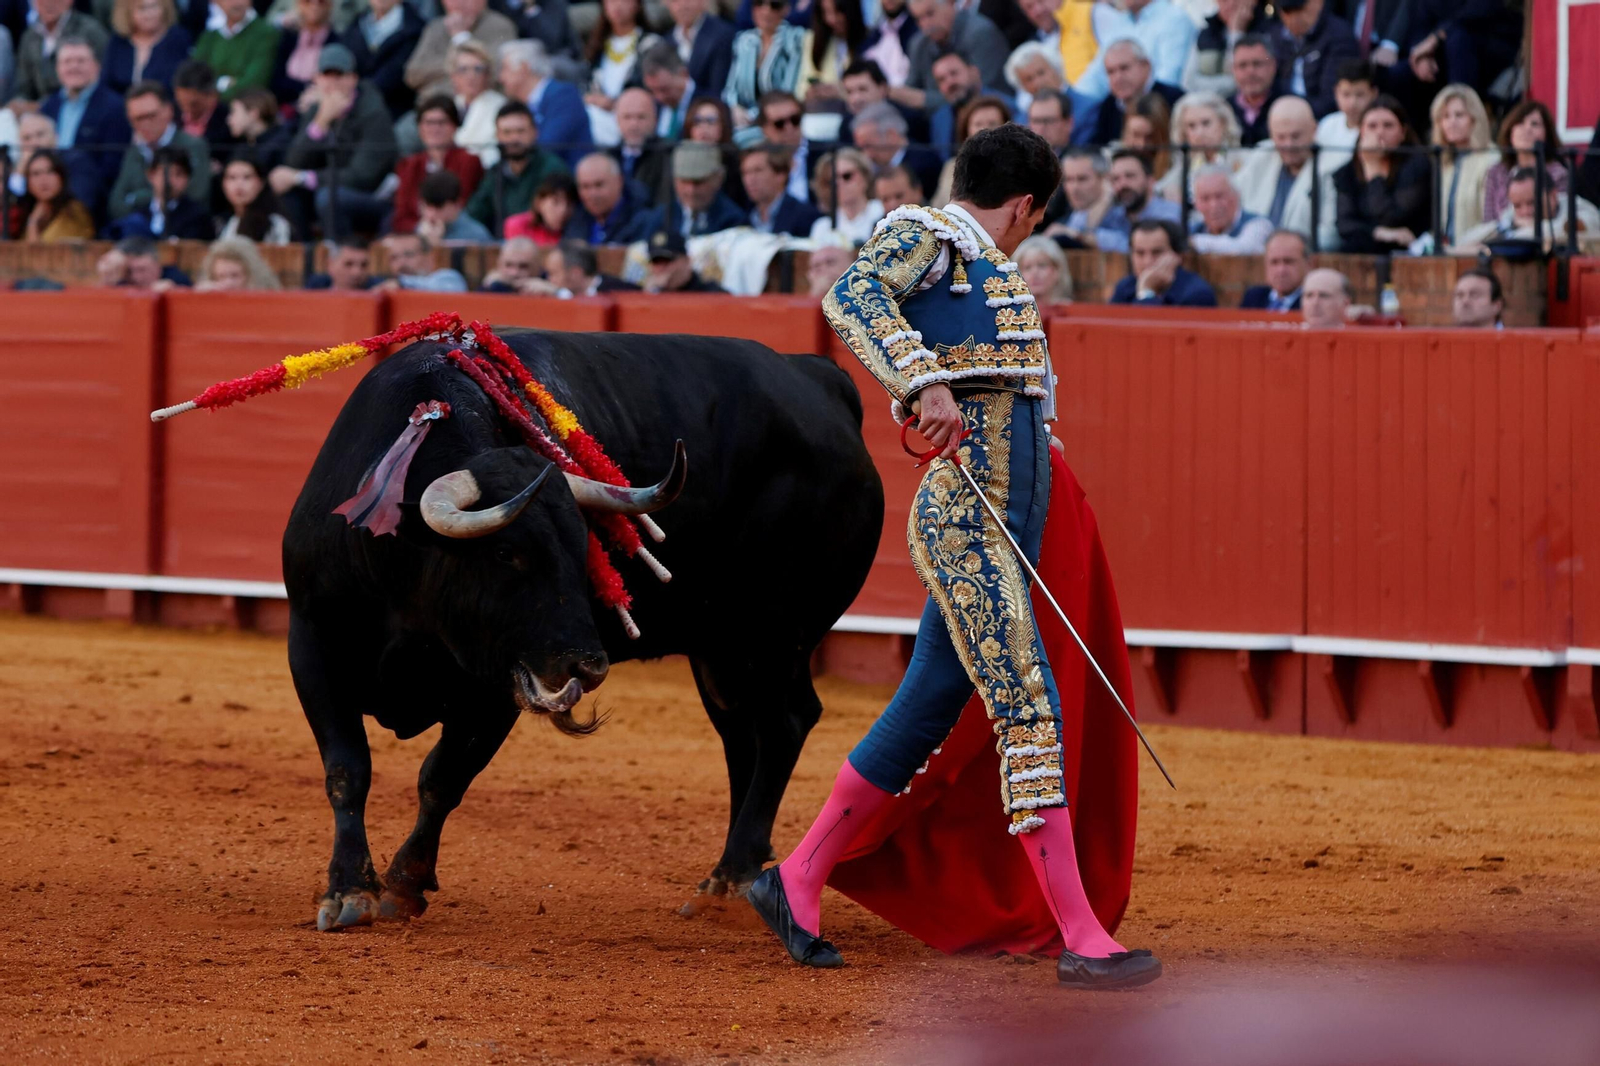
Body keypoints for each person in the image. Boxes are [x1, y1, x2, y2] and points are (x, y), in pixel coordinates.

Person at [766, 123, 1160, 991]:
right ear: (1025, 206)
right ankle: (1081, 931)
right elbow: (853, 294)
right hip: (968, 516)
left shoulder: (984, 262)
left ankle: (795, 876)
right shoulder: (931, 236)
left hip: (1008, 516)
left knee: (925, 707)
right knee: (1028, 701)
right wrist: (921, 381)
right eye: (1034, 219)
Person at [271, 43, 398, 237]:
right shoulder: (317, 110)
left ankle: (339, 255)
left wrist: (301, 178)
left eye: (339, 76)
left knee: (328, 197)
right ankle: (307, 254)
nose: (332, 83)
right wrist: (321, 122)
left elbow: (362, 177)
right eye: (326, 76)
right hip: (330, 189)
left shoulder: (373, 113)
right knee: (287, 193)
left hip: (374, 197)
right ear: (316, 80)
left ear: (353, 79)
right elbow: (294, 162)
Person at [38, 37, 128, 216]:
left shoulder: (115, 107)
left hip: (90, 200)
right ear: (58, 69)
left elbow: (112, 166)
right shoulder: (49, 106)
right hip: (44, 194)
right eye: (67, 62)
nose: (73, 67)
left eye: (81, 61)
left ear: (96, 66)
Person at [1233, 95, 1338, 249]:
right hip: (1254, 252)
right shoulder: (1261, 155)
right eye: (1281, 137)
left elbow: (1331, 234)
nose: (1288, 144)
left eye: (1295, 136)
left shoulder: (1333, 165)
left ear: (1314, 130)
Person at [1332, 94, 1429, 254]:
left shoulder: (1418, 166)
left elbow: (1391, 219)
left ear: (1403, 132)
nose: (1379, 132)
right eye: (1372, 126)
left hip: (1407, 251)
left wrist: (1373, 169)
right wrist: (1377, 232)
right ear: (1361, 131)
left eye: (1388, 125)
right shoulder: (1348, 171)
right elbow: (1344, 223)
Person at [463, 100, 568, 237]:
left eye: (520, 131)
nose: (514, 138)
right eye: (507, 132)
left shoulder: (552, 169)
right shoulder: (495, 173)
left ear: (534, 133)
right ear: (498, 136)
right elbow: (474, 213)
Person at [108, 80, 210, 219]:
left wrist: (138, 198)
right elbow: (116, 204)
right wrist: (160, 197)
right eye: (137, 119)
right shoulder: (135, 151)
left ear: (168, 110)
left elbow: (197, 195)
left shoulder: (192, 145)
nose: (145, 123)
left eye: (151, 116)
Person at [391, 93, 484, 235]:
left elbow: (461, 205)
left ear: (455, 126)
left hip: (457, 233)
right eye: (428, 123)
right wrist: (420, 229)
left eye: (441, 122)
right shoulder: (409, 165)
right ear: (420, 128)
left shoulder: (469, 161)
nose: (435, 129)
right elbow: (401, 217)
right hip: (416, 236)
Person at [497, 38, 591, 167]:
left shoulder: (563, 96)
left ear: (523, 68)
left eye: (505, 69)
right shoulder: (522, 104)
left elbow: (547, 147)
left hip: (569, 180)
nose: (501, 78)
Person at [901, 0, 1008, 111]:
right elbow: (910, 89)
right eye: (918, 19)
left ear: (949, 4)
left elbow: (985, 91)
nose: (925, 24)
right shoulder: (919, 44)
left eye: (930, 13)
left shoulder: (980, 33)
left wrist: (923, 99)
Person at [1076, 0, 1195, 100]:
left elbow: (1168, 80)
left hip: (1158, 111)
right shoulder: (1119, 22)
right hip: (1124, 108)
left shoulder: (1174, 18)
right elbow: (1094, 78)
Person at [404, 0, 516, 101]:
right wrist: (460, 67)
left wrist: (461, 38)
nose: (459, 3)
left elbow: (494, 72)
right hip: (434, 107)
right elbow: (413, 74)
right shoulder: (435, 28)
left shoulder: (500, 26)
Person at [1429, 84, 1495, 249]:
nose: (1452, 123)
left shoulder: (1492, 160)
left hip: (1478, 252)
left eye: (1459, 115)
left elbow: (1493, 220)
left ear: (1475, 119)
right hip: (1447, 254)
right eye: (1445, 116)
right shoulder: (1444, 162)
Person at [1085, 39, 1183, 148]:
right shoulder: (1108, 106)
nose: (1118, 78)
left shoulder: (1176, 99)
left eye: (1124, 68)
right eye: (1111, 72)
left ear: (1146, 66)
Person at [1271, 0, 1358, 120]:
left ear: (1318, 3)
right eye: (1287, 11)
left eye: (1299, 9)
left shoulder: (1338, 35)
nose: (1293, 17)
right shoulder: (1276, 35)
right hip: (1281, 116)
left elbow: (1331, 99)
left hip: (1323, 120)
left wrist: (1294, 113)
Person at [1482, 101, 1567, 223]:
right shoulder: (1496, 172)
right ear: (1510, 131)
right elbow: (1488, 221)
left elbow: (1560, 221)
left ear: (1546, 133)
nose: (1527, 129)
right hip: (1500, 240)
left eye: (1535, 124)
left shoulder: (1559, 174)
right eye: (1520, 122)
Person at [9, 0, 108, 104]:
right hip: (37, 113)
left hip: (81, 106)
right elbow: (24, 87)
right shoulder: (30, 36)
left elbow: (103, 79)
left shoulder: (90, 31)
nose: (49, 4)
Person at [723, 0, 806, 125]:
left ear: (786, 9)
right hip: (741, 120)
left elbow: (788, 92)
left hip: (780, 121)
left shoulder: (796, 39)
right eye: (759, 3)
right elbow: (730, 89)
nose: (766, 11)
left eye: (775, 5)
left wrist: (753, 116)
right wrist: (735, 108)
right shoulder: (744, 40)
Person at [339, 0, 425, 119]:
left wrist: (350, 94)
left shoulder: (414, 29)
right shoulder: (357, 25)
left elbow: (392, 77)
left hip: (395, 113)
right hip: (350, 107)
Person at [108, 144, 214, 238]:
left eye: (178, 174)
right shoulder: (138, 213)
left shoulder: (197, 217)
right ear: (151, 175)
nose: (170, 181)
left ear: (188, 179)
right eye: (165, 173)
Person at [1155, 90, 1239, 203]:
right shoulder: (1184, 166)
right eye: (1191, 126)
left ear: (1223, 123)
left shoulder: (1242, 159)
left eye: (1206, 123)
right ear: (1184, 133)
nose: (1199, 133)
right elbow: (1158, 190)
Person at [1110, 218, 1217, 306]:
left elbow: (1149, 330)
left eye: (1157, 253)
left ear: (1178, 256)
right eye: (1140, 253)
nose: (1148, 261)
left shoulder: (1196, 293)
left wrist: (1146, 293)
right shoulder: (1125, 288)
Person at [851, 100, 940, 200]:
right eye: (861, 148)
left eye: (869, 146)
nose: (867, 155)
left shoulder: (925, 162)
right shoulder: (869, 169)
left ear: (891, 135)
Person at [192, 0, 282, 100]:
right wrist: (226, 83)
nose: (237, 2)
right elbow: (195, 75)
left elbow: (254, 82)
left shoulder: (266, 34)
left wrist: (211, 93)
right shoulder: (210, 36)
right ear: (215, 2)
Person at [565, 150, 661, 243]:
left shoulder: (642, 223)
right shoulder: (575, 219)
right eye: (585, 187)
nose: (592, 194)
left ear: (619, 181)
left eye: (599, 185)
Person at [1096, 148, 1181, 252]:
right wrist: (1103, 201)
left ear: (1150, 181)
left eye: (1130, 176)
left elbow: (1150, 249)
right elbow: (1076, 234)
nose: (1122, 184)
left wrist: (1100, 239)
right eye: (1116, 179)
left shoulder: (1170, 213)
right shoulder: (1113, 213)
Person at [930, 91, 1009, 203]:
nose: (984, 130)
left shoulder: (1016, 167)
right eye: (978, 124)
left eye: (992, 123)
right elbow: (938, 209)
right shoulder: (950, 168)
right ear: (966, 130)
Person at [103, 0, 193, 96]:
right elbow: (106, 83)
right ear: (128, 12)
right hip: (120, 108)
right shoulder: (118, 42)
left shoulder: (178, 38)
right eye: (142, 8)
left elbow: (184, 84)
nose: (150, 14)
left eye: (154, 6)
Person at [1188, 0, 1270, 96]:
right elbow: (1189, 83)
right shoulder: (1207, 32)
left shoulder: (1268, 32)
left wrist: (1236, 33)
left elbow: (1243, 82)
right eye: (1224, 0)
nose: (1231, 4)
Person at [8, 147, 94, 239]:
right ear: (28, 182)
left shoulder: (75, 211)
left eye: (50, 171)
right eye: (36, 173)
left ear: (61, 177)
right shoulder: (26, 213)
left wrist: (33, 225)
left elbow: (44, 252)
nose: (43, 179)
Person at [665, 139, 745, 237]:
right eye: (685, 182)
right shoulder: (661, 218)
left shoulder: (732, 221)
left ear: (718, 179)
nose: (691, 191)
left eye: (698, 182)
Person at [1187, 164, 1272, 254]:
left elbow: (1245, 249)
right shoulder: (1194, 230)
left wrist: (1195, 242)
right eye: (1205, 198)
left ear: (1236, 195)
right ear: (1196, 204)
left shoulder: (1259, 225)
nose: (1214, 205)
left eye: (1219, 196)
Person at [445, 39, 505, 166]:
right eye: (463, 69)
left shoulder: (500, 106)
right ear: (453, 76)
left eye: (478, 69)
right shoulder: (450, 105)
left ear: (487, 75)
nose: (471, 76)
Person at [808, 145, 882, 243]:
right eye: (832, 180)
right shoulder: (822, 227)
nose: (838, 183)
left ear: (865, 177)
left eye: (846, 176)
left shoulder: (883, 213)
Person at [1312, 58, 1375, 173]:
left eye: (1360, 95)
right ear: (1336, 93)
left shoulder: (1378, 129)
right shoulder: (1327, 124)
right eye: (1346, 94)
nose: (1352, 103)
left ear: (1373, 93)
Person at [1044, 146, 1114, 248]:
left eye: (1082, 179)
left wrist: (1073, 234)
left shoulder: (1122, 213)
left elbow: (1126, 243)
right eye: (1069, 179)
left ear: (1104, 179)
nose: (1074, 188)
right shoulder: (1067, 219)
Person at [610, 86, 671, 201]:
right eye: (627, 117)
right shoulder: (608, 158)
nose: (634, 125)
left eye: (641, 117)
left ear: (655, 120)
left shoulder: (668, 155)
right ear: (617, 120)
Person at [270, 0, 335, 109]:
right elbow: (276, 80)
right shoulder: (287, 37)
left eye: (321, 2)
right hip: (282, 105)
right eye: (307, 1)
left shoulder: (335, 42)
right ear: (298, 4)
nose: (314, 6)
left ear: (330, 6)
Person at [742, 143, 819, 235]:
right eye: (745, 172)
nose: (750, 179)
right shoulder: (744, 218)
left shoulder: (806, 216)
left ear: (781, 174)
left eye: (758, 170)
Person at [217, 153, 292, 242]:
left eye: (247, 177)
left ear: (261, 183)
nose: (239, 184)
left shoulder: (276, 224)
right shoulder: (228, 222)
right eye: (232, 178)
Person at [667, 0, 736, 98]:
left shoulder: (723, 35)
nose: (683, 5)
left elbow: (718, 88)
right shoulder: (666, 41)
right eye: (675, 1)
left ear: (703, 1)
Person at [798, 0, 864, 101]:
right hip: (821, 109)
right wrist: (812, 91)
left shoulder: (870, 40)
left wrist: (841, 91)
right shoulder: (812, 40)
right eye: (826, 12)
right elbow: (803, 85)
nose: (832, 19)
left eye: (838, 11)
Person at [1226, 34, 1278, 148]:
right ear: (1233, 69)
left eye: (1257, 64)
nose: (1250, 72)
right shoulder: (1224, 109)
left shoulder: (1289, 104)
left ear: (1272, 65)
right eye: (1242, 65)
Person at [226, 86, 293, 173]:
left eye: (233, 112)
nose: (229, 120)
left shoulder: (281, 145)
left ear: (253, 113)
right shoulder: (244, 146)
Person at [639, 42, 696, 142]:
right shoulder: (654, 107)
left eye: (664, 89)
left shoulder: (708, 104)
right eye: (652, 91)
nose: (659, 97)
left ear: (683, 74)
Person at [1240, 228, 1308, 310]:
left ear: (1308, 264)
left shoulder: (1312, 302)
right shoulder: (1253, 298)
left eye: (1288, 262)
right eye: (1274, 262)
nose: (1281, 270)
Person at [543, 237, 641, 295]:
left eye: (554, 273)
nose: (550, 280)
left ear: (575, 273)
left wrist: (557, 293)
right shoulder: (549, 292)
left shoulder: (623, 292)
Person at [416, 169, 494, 242]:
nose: (431, 215)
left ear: (457, 205)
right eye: (426, 207)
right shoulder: (421, 229)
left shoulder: (476, 236)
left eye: (439, 207)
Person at [171, 58, 232, 147]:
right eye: (181, 103)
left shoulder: (228, 122)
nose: (187, 111)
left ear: (212, 95)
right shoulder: (171, 116)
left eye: (193, 104)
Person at [379, 230, 468, 290]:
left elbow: (450, 290)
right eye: (394, 258)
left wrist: (402, 282)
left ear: (429, 257)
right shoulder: (385, 285)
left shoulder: (447, 278)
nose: (401, 263)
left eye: (409, 255)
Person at [644, 226, 725, 291]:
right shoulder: (645, 292)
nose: (661, 268)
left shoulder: (711, 293)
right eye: (656, 262)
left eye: (667, 261)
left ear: (687, 261)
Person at [505, 172, 576, 243]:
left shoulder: (575, 231)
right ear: (539, 203)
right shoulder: (519, 226)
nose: (563, 210)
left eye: (569, 204)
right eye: (556, 202)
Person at [196, 235, 283, 290]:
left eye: (235, 276)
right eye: (221, 277)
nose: (228, 283)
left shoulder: (269, 299)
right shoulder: (209, 293)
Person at [1014, 233, 1072, 303]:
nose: (1035, 272)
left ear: (1057, 270)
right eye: (1027, 267)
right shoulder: (1010, 311)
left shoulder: (1072, 310)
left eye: (1042, 265)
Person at [478, 234, 544, 291]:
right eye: (508, 265)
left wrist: (552, 293)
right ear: (499, 264)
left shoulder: (547, 286)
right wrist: (486, 287)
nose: (514, 273)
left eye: (523, 266)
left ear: (537, 267)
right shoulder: (494, 285)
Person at [304, 235, 374, 288]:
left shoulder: (377, 290)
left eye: (364, 265)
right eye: (348, 264)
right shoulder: (313, 291)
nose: (357, 272)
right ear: (330, 265)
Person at [1026, 88, 1074, 156]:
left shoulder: (1082, 162)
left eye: (1049, 120)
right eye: (1037, 121)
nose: (1042, 127)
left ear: (1068, 123)